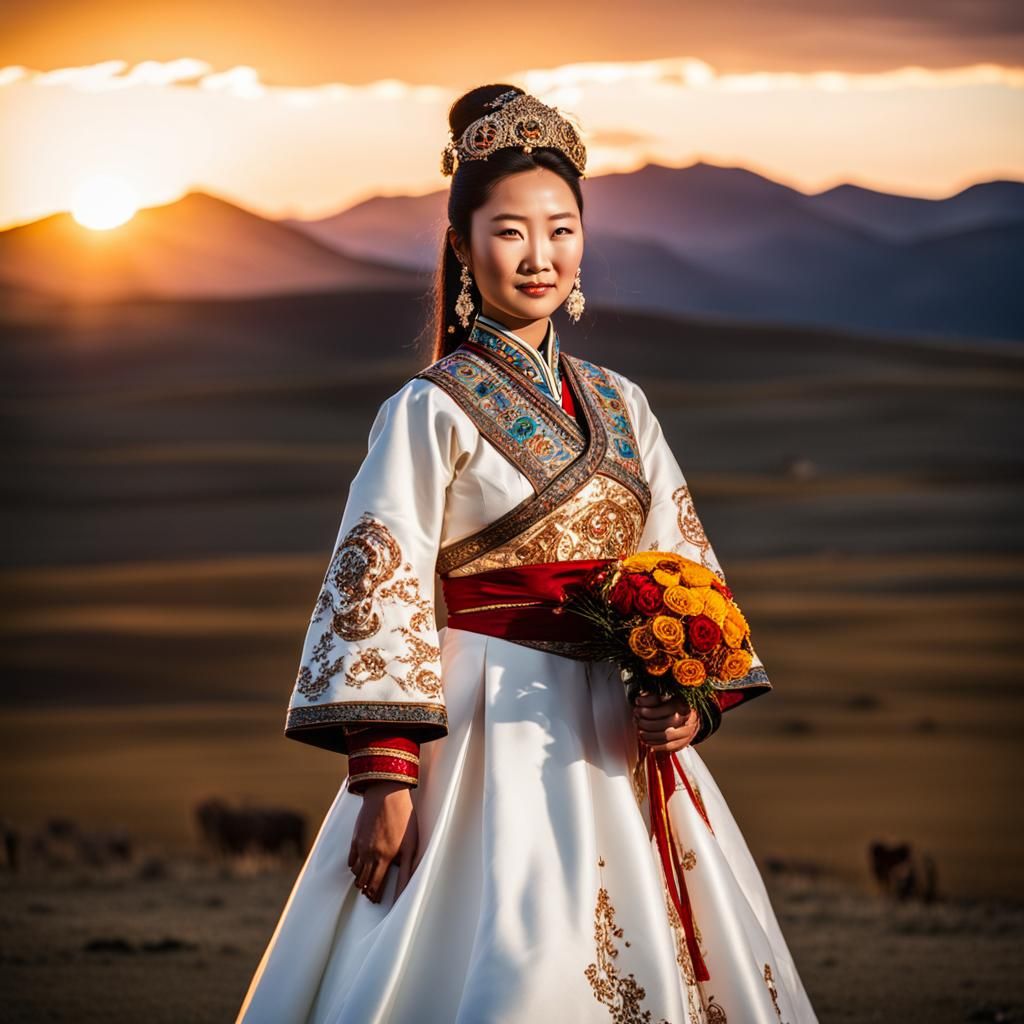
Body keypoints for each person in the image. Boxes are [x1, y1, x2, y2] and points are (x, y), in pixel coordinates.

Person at [236, 84, 819, 1024]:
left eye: (562, 229)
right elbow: (376, 581)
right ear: (463, 246)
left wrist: (685, 691)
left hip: (619, 736)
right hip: (481, 728)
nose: (540, 256)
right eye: (510, 231)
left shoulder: (623, 405)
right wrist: (385, 770)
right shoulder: (427, 409)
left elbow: (681, 561)